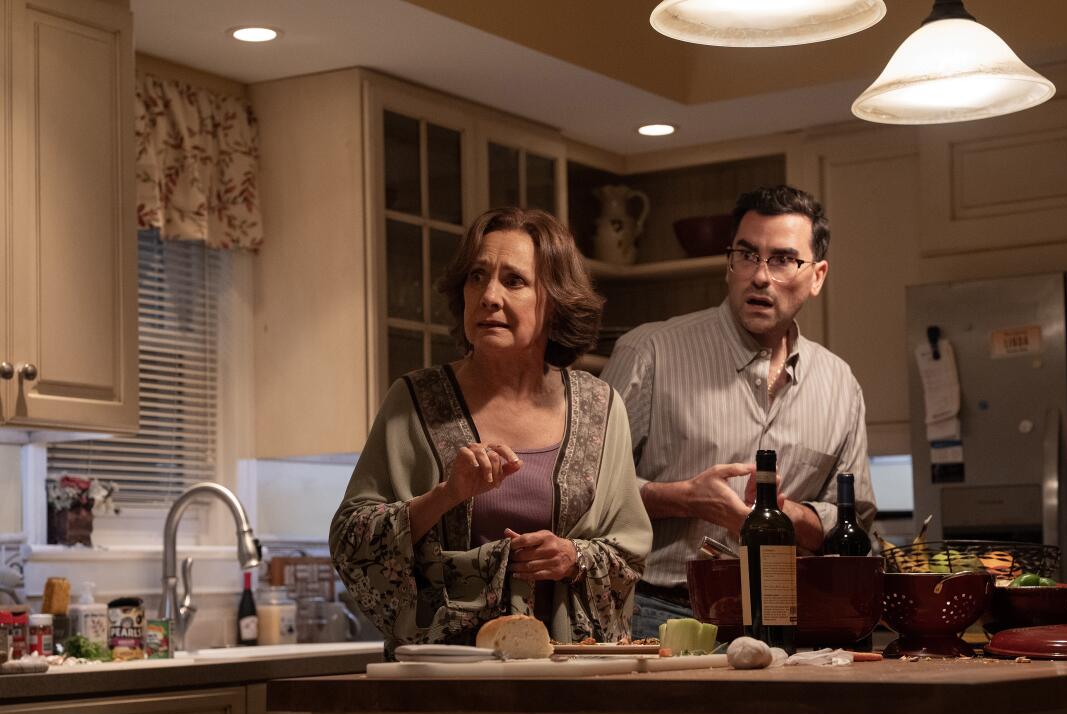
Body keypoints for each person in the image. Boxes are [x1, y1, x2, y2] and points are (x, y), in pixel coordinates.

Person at [330, 208, 652, 658]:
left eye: (514, 281)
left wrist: (572, 557)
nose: (488, 296)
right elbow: (351, 541)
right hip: (448, 673)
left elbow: (629, 557)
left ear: (554, 301)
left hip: (571, 674)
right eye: (477, 277)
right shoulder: (414, 402)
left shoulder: (601, 408)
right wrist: (446, 495)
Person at [601, 185, 876, 639]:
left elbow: (856, 523)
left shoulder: (840, 385)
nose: (760, 277)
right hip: (662, 613)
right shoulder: (649, 353)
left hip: (794, 618)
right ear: (729, 262)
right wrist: (684, 498)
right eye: (747, 255)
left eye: (783, 259)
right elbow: (585, 492)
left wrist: (786, 515)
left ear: (817, 276)